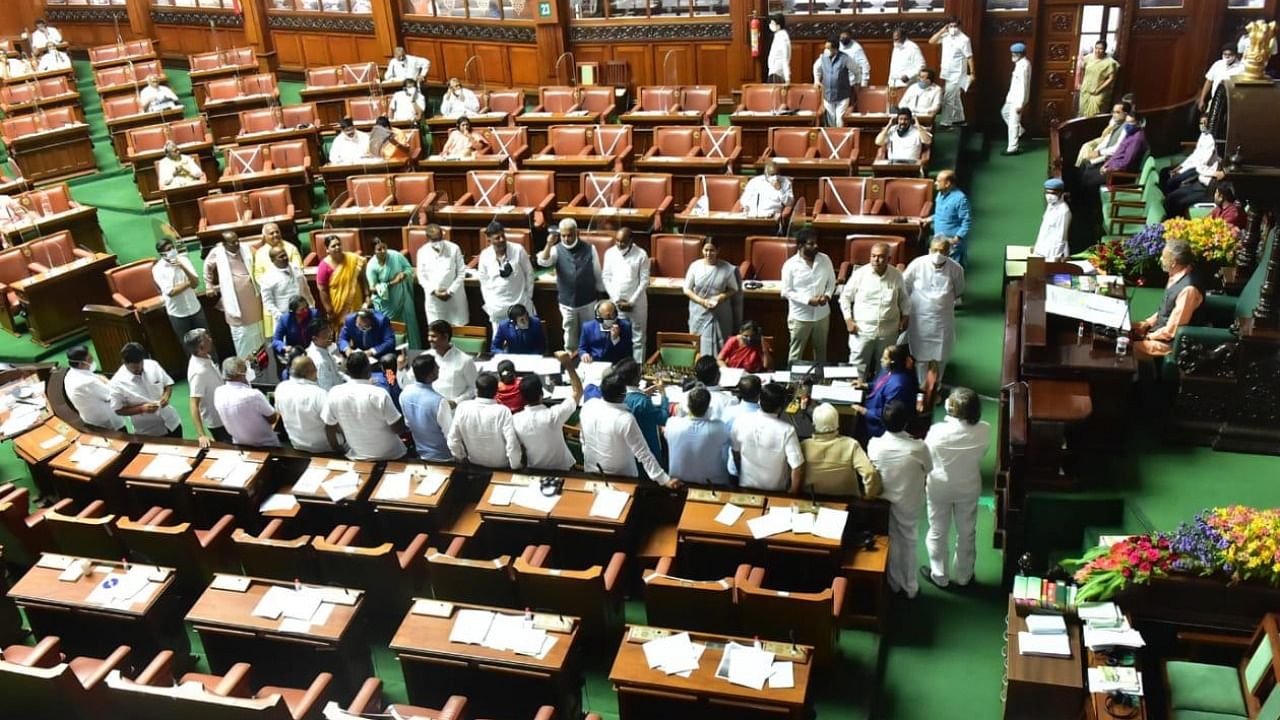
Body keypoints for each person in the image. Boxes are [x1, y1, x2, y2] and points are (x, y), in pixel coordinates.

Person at [922, 387, 990, 589]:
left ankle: (939, 575)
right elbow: (983, 453)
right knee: (967, 531)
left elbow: (927, 458)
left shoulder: (936, 431)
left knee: (937, 530)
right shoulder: (984, 429)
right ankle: (964, 576)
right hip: (968, 487)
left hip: (939, 487)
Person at [868, 400, 931, 599]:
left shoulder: (874, 445)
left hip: (883, 501)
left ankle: (894, 583)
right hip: (909, 500)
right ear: (906, 423)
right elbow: (929, 469)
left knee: (891, 541)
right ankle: (910, 586)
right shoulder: (918, 448)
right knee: (909, 540)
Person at [579, 373, 676, 486]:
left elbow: (583, 439)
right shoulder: (625, 419)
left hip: (591, 473)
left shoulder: (588, 406)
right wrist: (664, 479)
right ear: (624, 395)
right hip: (622, 479)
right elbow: (643, 453)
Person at [839, 242, 910, 382]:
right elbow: (844, 298)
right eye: (873, 256)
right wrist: (848, 320)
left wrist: (906, 316)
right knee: (857, 367)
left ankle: (878, 397)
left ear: (889, 259)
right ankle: (854, 396)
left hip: (888, 331)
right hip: (862, 330)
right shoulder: (860, 274)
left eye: (881, 257)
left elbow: (904, 299)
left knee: (885, 367)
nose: (876, 260)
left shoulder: (896, 275)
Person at [321, 352, 407, 461]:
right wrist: (398, 370)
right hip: (391, 455)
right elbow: (399, 429)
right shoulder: (381, 389)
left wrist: (337, 449)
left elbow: (329, 426)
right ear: (369, 368)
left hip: (357, 454)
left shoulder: (334, 392)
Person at [903, 237, 965, 387]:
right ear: (929, 250)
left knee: (941, 355)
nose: (938, 254)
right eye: (935, 250)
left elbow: (959, 290)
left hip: (942, 319)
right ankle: (921, 387)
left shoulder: (956, 269)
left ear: (949, 251)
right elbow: (905, 284)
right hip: (920, 316)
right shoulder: (917, 264)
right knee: (920, 354)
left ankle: (935, 387)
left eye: (942, 250)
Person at [1133, 240, 1206, 360]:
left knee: (1125, 346)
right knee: (1125, 328)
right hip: (1159, 330)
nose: (1161, 259)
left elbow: (1172, 331)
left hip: (1170, 343)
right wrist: (1146, 324)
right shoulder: (1176, 274)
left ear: (1174, 262)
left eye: (1164, 257)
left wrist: (1148, 337)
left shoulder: (1188, 290)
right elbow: (1167, 309)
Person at [538, 217, 604, 352]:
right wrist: (549, 244)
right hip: (567, 304)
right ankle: (571, 366)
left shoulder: (590, 249)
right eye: (563, 236)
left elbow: (597, 273)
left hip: (588, 302)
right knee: (570, 340)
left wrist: (602, 294)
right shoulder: (556, 249)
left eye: (569, 235)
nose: (566, 239)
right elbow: (543, 262)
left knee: (590, 336)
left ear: (577, 233)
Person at [513, 353, 581, 472]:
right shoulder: (554, 415)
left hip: (534, 469)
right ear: (542, 394)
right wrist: (568, 364)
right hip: (563, 469)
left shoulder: (515, 420)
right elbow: (578, 391)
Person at [731, 382, 803, 493]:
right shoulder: (787, 430)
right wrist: (791, 495)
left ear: (759, 401)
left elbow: (735, 453)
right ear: (780, 408)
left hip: (745, 488)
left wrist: (741, 473)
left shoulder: (740, 421)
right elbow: (797, 467)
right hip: (776, 493)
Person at [802, 403, 881, 498]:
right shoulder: (851, 445)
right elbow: (870, 473)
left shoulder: (804, 446)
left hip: (812, 500)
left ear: (814, 424)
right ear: (837, 422)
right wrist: (868, 497)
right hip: (848, 501)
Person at [205, 232, 264, 358]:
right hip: (235, 304)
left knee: (259, 336)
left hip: (254, 299)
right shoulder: (217, 253)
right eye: (232, 242)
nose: (237, 244)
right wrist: (208, 285)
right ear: (224, 244)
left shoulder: (246, 248)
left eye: (237, 240)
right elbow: (207, 266)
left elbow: (261, 259)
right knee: (243, 339)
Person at [781, 230, 836, 364]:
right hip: (800, 316)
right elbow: (786, 291)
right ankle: (792, 383)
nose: (815, 246)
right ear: (800, 246)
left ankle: (820, 381)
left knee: (821, 351)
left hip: (822, 315)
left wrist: (827, 296)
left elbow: (832, 282)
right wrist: (807, 300)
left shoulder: (825, 259)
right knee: (796, 353)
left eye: (816, 243)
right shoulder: (790, 265)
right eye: (811, 244)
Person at [447, 372, 522, 468]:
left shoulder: (462, 407)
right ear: (496, 391)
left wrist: (461, 457)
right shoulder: (503, 411)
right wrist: (515, 467)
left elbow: (452, 440)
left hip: (474, 464)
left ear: (476, 391)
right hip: (501, 467)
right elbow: (512, 445)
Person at [109, 343, 182, 437]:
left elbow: (167, 384)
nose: (138, 370)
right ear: (124, 362)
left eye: (141, 365)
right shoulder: (116, 383)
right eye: (134, 369)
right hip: (149, 432)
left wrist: (166, 396)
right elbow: (118, 410)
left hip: (172, 422)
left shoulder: (153, 365)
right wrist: (141, 409)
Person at [666, 386, 732, 486]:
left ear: (688, 406)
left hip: (679, 481)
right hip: (711, 484)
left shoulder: (672, 423)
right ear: (708, 407)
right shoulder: (720, 428)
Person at [602, 228, 650, 364]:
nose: (619, 244)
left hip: (637, 304)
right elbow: (606, 277)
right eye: (617, 241)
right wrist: (617, 300)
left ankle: (637, 371)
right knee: (617, 336)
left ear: (631, 241)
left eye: (622, 242)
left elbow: (644, 281)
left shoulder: (641, 254)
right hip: (617, 304)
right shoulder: (610, 253)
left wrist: (631, 302)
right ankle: (620, 368)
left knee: (638, 339)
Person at [684, 238, 739, 357]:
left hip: (720, 312)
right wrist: (701, 301)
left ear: (718, 250)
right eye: (706, 250)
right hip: (699, 311)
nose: (708, 254)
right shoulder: (695, 266)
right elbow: (686, 289)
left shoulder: (727, 268)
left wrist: (720, 297)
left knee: (721, 347)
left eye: (712, 250)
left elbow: (733, 289)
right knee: (700, 345)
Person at [476, 221, 534, 331]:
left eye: (503, 236)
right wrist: (489, 303)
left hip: (520, 304)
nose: (502, 240)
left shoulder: (518, 250)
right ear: (489, 240)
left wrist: (528, 297)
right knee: (500, 344)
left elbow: (529, 274)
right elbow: (484, 283)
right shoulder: (485, 256)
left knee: (524, 341)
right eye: (497, 238)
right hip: (498, 307)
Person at [366, 236, 422, 349]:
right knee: (390, 330)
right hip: (386, 303)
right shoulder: (371, 266)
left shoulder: (396, 256)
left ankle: (413, 351)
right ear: (373, 251)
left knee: (409, 327)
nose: (383, 251)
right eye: (379, 249)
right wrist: (391, 283)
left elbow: (409, 269)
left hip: (402, 296)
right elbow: (372, 288)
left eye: (384, 248)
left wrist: (403, 274)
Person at [150, 238, 209, 341]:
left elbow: (195, 283)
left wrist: (182, 267)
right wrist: (188, 283)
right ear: (162, 254)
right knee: (189, 347)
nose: (172, 250)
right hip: (178, 314)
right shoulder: (158, 269)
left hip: (195, 308)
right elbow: (171, 292)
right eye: (169, 249)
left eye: (173, 247)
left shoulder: (184, 260)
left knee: (207, 341)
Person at [213, 357, 279, 447]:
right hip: (267, 445)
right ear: (240, 373)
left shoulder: (218, 392)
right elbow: (272, 419)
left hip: (239, 444)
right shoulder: (254, 395)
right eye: (246, 368)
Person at [400, 353, 454, 462]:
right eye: (436, 366)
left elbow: (408, 423)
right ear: (430, 374)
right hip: (444, 457)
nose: (439, 368)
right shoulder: (439, 401)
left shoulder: (405, 393)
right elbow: (450, 435)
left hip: (420, 452)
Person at [274, 356, 333, 454]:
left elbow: (278, 412)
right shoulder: (319, 394)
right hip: (325, 448)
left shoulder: (281, 388)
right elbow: (333, 422)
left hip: (297, 444)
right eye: (315, 369)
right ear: (308, 373)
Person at [857, 345, 918, 439]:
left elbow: (889, 413)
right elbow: (880, 384)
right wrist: (865, 385)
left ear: (893, 361)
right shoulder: (887, 370)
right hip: (871, 406)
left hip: (879, 427)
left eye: (885, 358)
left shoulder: (898, 386)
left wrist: (864, 411)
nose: (881, 360)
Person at [1080, 110, 1148, 194]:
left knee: (1088, 178)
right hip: (1113, 167)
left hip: (1120, 173)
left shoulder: (1137, 139)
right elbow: (1117, 153)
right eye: (1126, 122)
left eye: (1131, 123)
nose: (1128, 125)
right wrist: (1107, 164)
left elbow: (1126, 162)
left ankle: (1089, 205)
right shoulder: (1130, 133)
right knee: (1086, 168)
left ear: (1139, 123)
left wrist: (1109, 169)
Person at [416, 223, 469, 327]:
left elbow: (461, 273)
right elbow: (421, 277)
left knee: (458, 334)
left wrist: (450, 292)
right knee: (437, 333)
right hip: (434, 301)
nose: (438, 243)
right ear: (428, 239)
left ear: (443, 235)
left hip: (454, 299)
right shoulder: (422, 252)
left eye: (439, 239)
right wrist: (434, 292)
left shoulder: (454, 248)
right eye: (434, 240)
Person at [614, 359, 665, 465]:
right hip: (648, 452)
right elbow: (663, 418)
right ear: (637, 378)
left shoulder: (616, 396)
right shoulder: (643, 402)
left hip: (626, 453)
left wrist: (642, 393)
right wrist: (663, 394)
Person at [315, 233, 368, 334]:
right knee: (344, 332)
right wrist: (329, 310)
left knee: (360, 328)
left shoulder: (352, 259)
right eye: (333, 246)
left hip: (356, 301)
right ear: (327, 249)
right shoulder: (324, 266)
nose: (337, 247)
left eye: (339, 244)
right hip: (338, 306)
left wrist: (367, 294)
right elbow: (322, 290)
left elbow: (363, 275)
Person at [65, 346, 125, 431]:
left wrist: (104, 380)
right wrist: (107, 381)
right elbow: (113, 394)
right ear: (81, 364)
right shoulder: (88, 382)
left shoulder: (70, 374)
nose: (93, 360)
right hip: (108, 424)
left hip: (90, 420)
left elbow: (99, 377)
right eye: (90, 359)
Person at [185, 329, 228, 447]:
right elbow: (194, 403)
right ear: (201, 347)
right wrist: (201, 435)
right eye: (207, 338)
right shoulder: (198, 372)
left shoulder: (206, 356)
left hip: (225, 411)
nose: (211, 339)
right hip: (218, 420)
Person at [929, 18, 975, 128]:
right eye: (950, 26)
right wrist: (941, 31)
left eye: (955, 26)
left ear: (959, 27)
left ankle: (946, 122)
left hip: (958, 73)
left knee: (948, 97)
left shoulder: (964, 39)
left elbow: (969, 57)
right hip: (947, 72)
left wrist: (972, 73)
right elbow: (931, 41)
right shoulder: (946, 36)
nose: (952, 28)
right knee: (955, 97)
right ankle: (960, 119)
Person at [1160, 114, 1218, 196]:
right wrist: (1180, 167)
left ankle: (1168, 199)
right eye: (1201, 123)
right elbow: (1193, 155)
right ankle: (1162, 197)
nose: (1203, 125)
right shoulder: (1202, 135)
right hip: (1190, 164)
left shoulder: (1211, 140)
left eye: (1205, 123)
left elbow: (1201, 162)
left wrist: (1181, 171)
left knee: (1172, 181)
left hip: (1196, 168)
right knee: (1164, 172)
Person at [259, 247, 313, 333]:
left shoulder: (295, 268)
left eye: (285, 255)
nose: (285, 258)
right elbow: (268, 302)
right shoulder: (267, 277)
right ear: (273, 260)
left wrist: (311, 306)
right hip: (285, 318)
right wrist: (281, 317)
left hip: (304, 315)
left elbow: (306, 289)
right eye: (281, 257)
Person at [929, 170, 973, 266]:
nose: (935, 183)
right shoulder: (940, 195)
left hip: (952, 245)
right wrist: (928, 219)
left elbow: (967, 221)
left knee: (953, 272)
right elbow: (941, 214)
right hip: (939, 241)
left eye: (938, 181)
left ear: (947, 183)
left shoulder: (960, 199)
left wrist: (957, 238)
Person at [426, 320, 478, 403]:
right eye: (429, 336)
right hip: (430, 407)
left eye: (433, 336)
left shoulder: (465, 360)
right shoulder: (426, 357)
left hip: (454, 411)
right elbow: (411, 381)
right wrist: (400, 369)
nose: (429, 339)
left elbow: (474, 388)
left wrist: (456, 402)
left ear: (445, 337)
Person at [813, 37, 854, 127]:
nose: (825, 50)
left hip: (842, 96)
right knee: (831, 121)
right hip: (828, 95)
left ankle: (840, 139)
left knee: (839, 120)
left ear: (835, 49)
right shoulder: (822, 58)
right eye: (825, 47)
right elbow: (816, 68)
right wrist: (816, 80)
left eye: (828, 48)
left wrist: (854, 82)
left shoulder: (845, 58)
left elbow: (856, 70)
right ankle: (832, 139)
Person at [1075, 102, 1131, 169]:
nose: (1114, 115)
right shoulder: (1116, 125)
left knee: (1086, 166)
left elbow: (1117, 148)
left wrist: (1099, 153)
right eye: (1113, 112)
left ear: (1125, 114)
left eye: (1117, 112)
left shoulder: (1126, 128)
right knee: (1084, 162)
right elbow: (1106, 142)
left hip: (1110, 161)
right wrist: (1095, 152)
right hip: (1103, 155)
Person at [1002, 42, 1031, 155]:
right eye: (1013, 53)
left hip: (1018, 99)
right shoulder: (1020, 64)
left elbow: (1023, 86)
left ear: (1021, 54)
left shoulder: (1023, 65)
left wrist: (1020, 103)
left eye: (1015, 53)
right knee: (1005, 113)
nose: (1013, 55)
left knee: (1013, 122)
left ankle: (1012, 148)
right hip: (1012, 97)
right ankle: (1019, 131)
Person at [1033, 178, 1071, 261]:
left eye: (1053, 193)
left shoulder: (1063, 211)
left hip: (1052, 255)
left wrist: (1054, 260)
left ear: (1060, 193)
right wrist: (1037, 247)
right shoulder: (1051, 205)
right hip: (1041, 250)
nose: (1049, 196)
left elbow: (1061, 238)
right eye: (1047, 193)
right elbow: (1044, 229)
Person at [1200, 45, 1244, 115]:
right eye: (1225, 54)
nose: (1227, 57)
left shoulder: (1241, 68)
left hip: (1230, 104)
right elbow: (1208, 81)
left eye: (1230, 54)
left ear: (1235, 55)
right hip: (1214, 101)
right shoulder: (1217, 64)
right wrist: (1202, 99)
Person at [1078, 41, 1119, 118]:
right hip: (1086, 89)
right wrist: (1081, 82)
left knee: (1094, 114)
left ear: (1105, 50)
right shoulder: (1088, 58)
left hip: (1099, 91)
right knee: (1082, 112)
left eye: (1101, 49)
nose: (1098, 51)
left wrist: (1099, 89)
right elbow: (1082, 69)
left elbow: (1111, 78)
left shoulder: (1110, 62)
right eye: (1096, 48)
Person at [306, 319, 344, 391]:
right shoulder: (319, 361)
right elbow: (326, 389)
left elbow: (336, 374)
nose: (330, 335)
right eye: (325, 334)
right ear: (315, 339)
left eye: (329, 331)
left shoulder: (325, 348)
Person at [766, 14, 791, 83]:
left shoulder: (783, 38)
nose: (770, 25)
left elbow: (785, 58)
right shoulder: (777, 36)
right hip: (773, 72)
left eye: (772, 23)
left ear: (779, 25)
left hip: (777, 74)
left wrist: (787, 78)